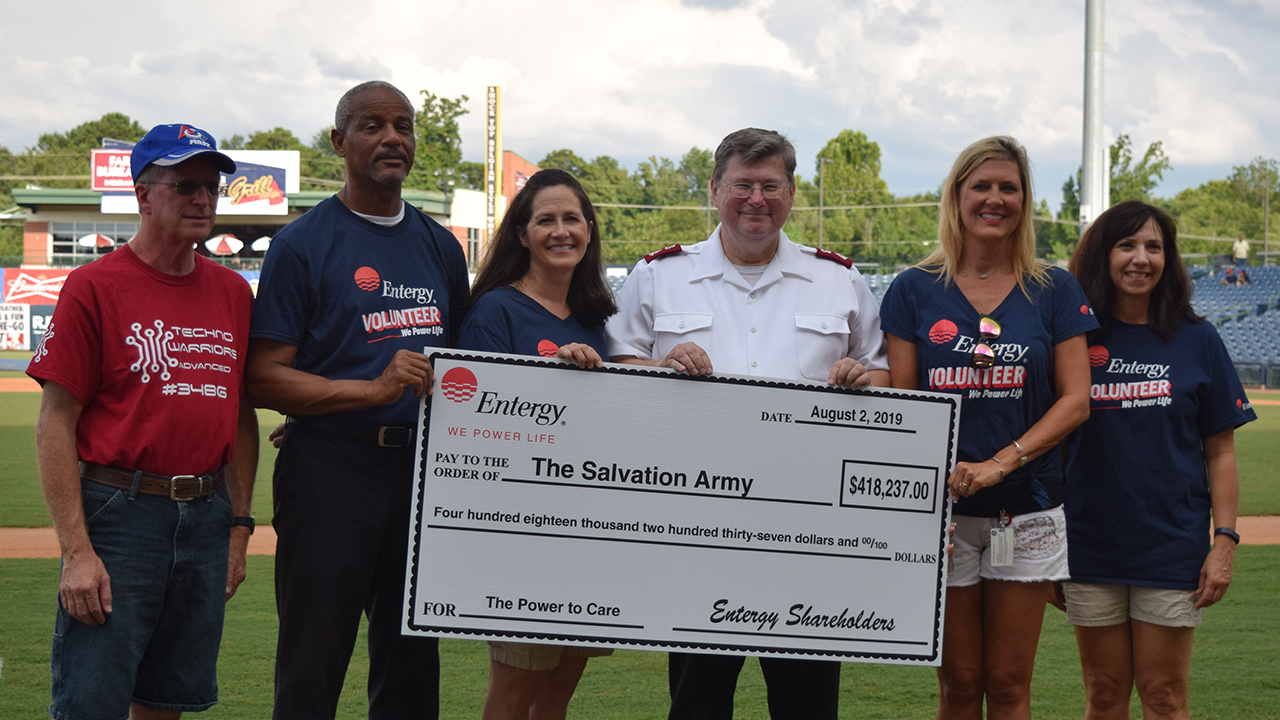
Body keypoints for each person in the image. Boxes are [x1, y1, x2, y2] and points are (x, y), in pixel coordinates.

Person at [607, 127, 890, 720]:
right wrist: (660, 365)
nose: (755, 199)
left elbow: (885, 374)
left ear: (792, 194)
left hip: (811, 530)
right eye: (742, 185)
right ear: (714, 190)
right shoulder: (661, 275)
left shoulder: (838, 278)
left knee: (807, 703)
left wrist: (863, 379)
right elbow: (616, 370)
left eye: (770, 186)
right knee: (697, 701)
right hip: (696, 524)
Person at [245, 81, 469, 719]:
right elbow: (263, 377)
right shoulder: (303, 243)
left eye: (403, 125)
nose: (391, 136)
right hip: (332, 472)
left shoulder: (439, 244)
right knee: (313, 664)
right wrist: (363, 393)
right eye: (372, 125)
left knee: (410, 666)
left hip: (422, 474)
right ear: (340, 141)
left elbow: (463, 368)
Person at [28, 123, 258, 720]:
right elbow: (56, 423)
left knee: (166, 699)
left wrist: (237, 526)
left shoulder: (234, 292)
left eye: (213, 186)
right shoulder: (95, 285)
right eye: (186, 185)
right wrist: (75, 550)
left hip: (206, 513)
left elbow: (241, 417)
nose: (204, 199)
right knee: (92, 699)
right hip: (120, 513)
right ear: (143, 194)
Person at [879, 135, 1096, 719]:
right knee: (958, 682)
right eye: (982, 186)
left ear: (1025, 200)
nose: (995, 198)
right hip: (942, 512)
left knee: (1005, 683)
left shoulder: (1054, 288)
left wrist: (1001, 462)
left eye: (1009, 187)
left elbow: (1077, 400)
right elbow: (905, 402)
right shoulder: (912, 289)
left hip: (1027, 507)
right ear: (956, 196)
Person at [1063, 201, 1254, 720]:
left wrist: (1224, 542)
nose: (1141, 258)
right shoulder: (1074, 338)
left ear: (1168, 258)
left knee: (1164, 694)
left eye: (1154, 246)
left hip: (1171, 547)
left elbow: (1221, 452)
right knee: (1103, 692)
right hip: (1088, 545)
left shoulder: (1198, 339)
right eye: (1127, 245)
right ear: (1103, 255)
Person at [461, 168, 617, 720]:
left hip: (590, 530)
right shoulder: (495, 311)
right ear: (522, 235)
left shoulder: (597, 318)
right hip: (523, 536)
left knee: (556, 697)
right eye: (544, 220)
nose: (560, 231)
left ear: (590, 229)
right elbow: (473, 428)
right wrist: (546, 378)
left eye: (571, 218)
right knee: (513, 695)